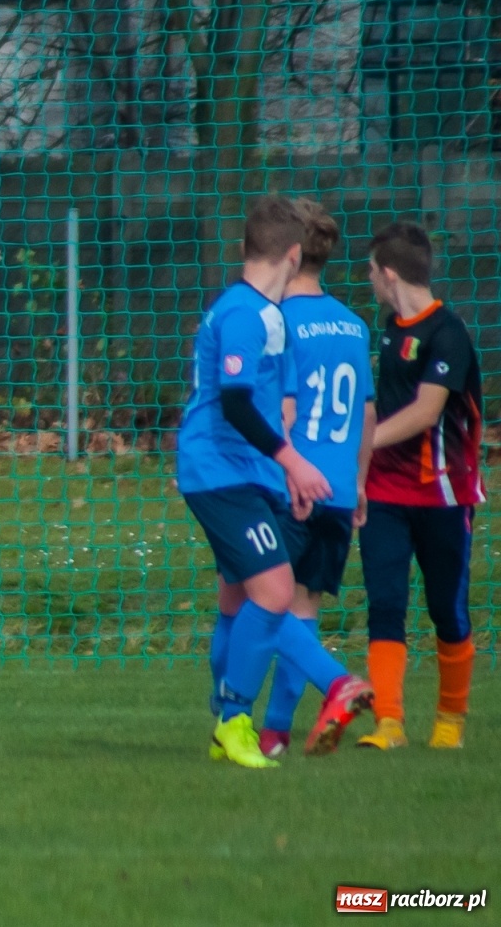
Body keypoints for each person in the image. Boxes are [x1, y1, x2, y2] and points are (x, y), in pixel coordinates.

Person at [177, 195, 373, 769]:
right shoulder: (246, 314)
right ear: (294, 253)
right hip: (217, 472)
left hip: (247, 473)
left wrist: (281, 474)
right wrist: (293, 463)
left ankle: (228, 719)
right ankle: (235, 721)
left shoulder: (271, 318)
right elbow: (236, 404)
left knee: (239, 601)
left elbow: (273, 407)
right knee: (275, 591)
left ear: (246, 248)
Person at [356, 223, 483, 751]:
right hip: (385, 494)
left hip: (444, 496)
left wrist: (359, 449)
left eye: (369, 272)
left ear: (388, 274)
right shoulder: (388, 329)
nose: (368, 281)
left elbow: (426, 412)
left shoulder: (448, 333)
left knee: (446, 610)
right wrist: (362, 471)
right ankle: (388, 723)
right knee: (385, 604)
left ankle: (450, 722)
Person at [259, 200, 377, 757]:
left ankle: (337, 682)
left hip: (294, 485)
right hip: (340, 486)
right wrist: (361, 484)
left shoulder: (279, 320)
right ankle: (277, 732)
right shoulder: (353, 323)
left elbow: (278, 410)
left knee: (259, 602)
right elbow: (366, 414)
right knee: (302, 610)